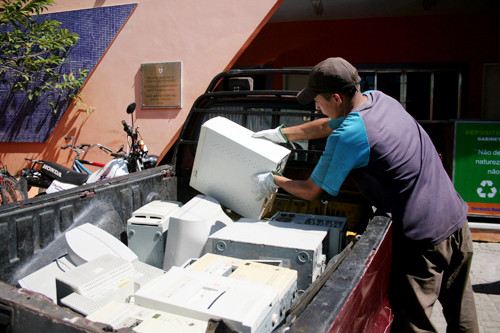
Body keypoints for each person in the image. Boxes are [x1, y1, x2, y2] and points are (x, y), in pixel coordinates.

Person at [251, 57, 479, 332]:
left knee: (414, 324)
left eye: (318, 101)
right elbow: (327, 125)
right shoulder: (379, 100)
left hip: (424, 242)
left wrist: (273, 180)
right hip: (456, 221)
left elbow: (311, 190)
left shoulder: (350, 135)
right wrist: (281, 134)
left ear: (336, 97)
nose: (316, 106)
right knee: (462, 314)